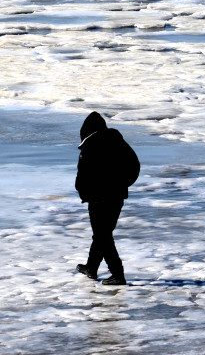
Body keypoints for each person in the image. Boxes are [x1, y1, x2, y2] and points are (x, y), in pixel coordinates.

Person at [75, 111, 140, 286]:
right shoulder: (116, 140)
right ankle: (91, 267)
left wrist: (88, 192)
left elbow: (85, 174)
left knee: (103, 236)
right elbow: (134, 165)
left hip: (99, 198)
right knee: (102, 234)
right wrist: (121, 185)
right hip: (116, 196)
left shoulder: (93, 144)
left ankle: (117, 274)